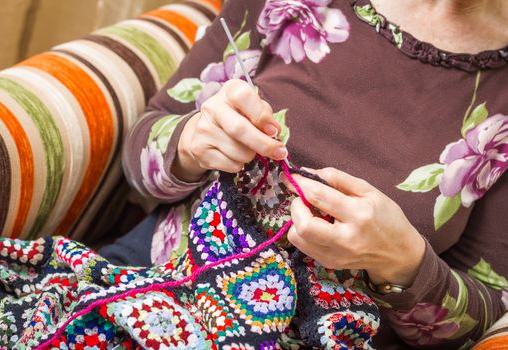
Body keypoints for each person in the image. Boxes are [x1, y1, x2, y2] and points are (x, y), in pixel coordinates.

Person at [101, 0, 508, 347]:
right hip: (150, 278)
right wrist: (189, 143)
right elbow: (138, 160)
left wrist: (403, 264)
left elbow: (488, 320)